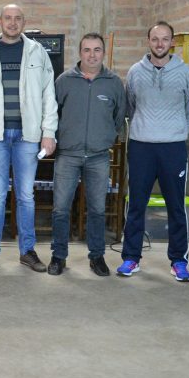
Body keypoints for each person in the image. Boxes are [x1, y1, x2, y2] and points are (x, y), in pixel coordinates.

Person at [0, 4, 58, 273]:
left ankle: (27, 251)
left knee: (26, 196)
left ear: (24, 22)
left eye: (17, 18)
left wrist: (48, 133)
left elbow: (48, 95)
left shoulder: (37, 52)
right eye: (8, 18)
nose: (12, 23)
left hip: (27, 136)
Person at [117, 21, 189, 282]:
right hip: (141, 147)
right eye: (155, 39)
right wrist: (147, 129)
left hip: (173, 148)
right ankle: (131, 258)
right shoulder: (135, 72)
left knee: (176, 206)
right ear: (148, 41)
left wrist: (174, 132)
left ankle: (179, 261)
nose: (160, 44)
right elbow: (131, 107)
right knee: (136, 205)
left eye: (165, 39)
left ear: (172, 42)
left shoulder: (185, 73)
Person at [48, 33, 126, 277]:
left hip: (98, 156)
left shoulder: (114, 83)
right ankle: (58, 256)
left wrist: (103, 138)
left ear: (103, 52)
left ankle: (97, 257)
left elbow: (118, 117)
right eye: (87, 50)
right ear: (80, 52)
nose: (92, 55)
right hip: (68, 155)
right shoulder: (64, 81)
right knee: (61, 208)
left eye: (97, 50)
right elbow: (53, 114)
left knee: (97, 209)